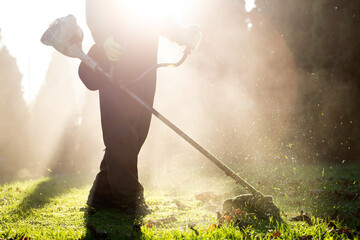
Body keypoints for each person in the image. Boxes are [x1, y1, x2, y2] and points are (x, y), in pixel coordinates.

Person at [81, 0, 201, 215]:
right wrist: (104, 38)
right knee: (121, 132)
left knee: (138, 130)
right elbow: (96, 8)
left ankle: (103, 193)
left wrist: (180, 33)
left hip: (146, 62)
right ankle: (128, 199)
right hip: (117, 59)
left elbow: (157, 15)